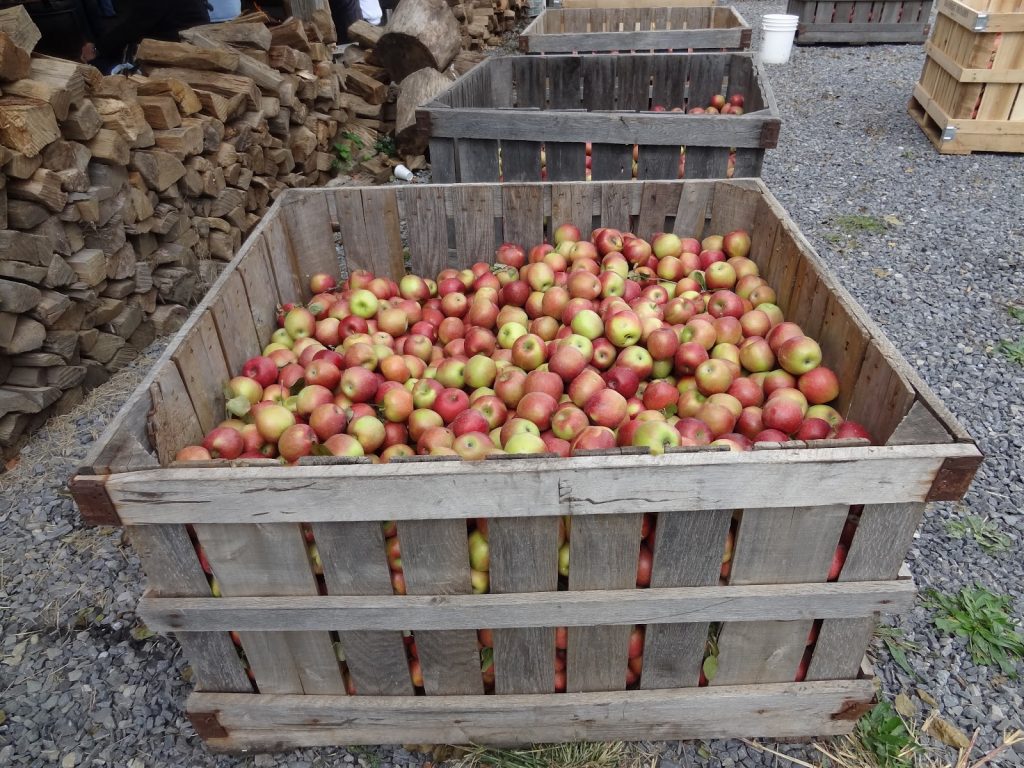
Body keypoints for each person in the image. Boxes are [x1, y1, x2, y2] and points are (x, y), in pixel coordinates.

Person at [85, 0, 211, 71]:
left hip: (180, 53)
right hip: (191, 42)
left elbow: (133, 26)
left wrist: (98, 49)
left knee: (97, 66)